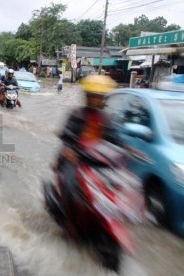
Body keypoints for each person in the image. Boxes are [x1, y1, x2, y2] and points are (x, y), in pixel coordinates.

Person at [58, 75, 121, 234]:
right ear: (86, 97)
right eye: (92, 96)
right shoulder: (76, 114)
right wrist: (69, 148)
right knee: (69, 185)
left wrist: (127, 150)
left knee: (119, 185)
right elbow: (67, 135)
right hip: (75, 160)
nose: (95, 100)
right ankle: (68, 220)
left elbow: (115, 140)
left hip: (97, 162)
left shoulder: (106, 119)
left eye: (99, 97)